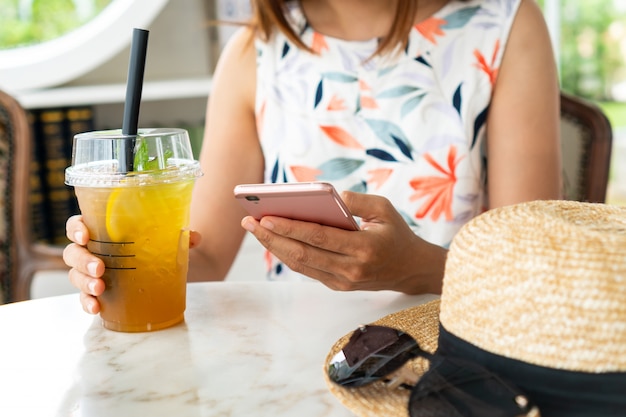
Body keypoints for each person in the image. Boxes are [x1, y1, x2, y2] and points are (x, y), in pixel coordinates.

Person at [64, 0, 561, 314]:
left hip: (457, 341)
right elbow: (206, 256)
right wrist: (118, 261)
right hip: (294, 361)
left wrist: (417, 268)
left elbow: (529, 270)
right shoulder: (253, 52)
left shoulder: (507, 26)